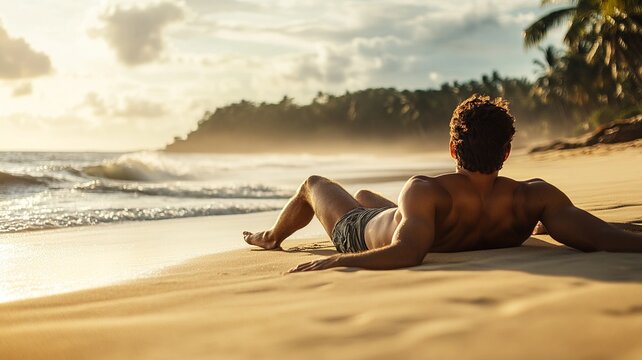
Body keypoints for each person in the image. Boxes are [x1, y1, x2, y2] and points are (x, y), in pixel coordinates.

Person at [243, 94, 642, 273]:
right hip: (402, 217)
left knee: (313, 183)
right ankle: (364, 208)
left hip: (360, 232)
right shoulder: (534, 197)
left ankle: (271, 237)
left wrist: (335, 259)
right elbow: (602, 236)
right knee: (365, 197)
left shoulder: (424, 190)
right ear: (506, 152)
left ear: (453, 149)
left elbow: (407, 252)